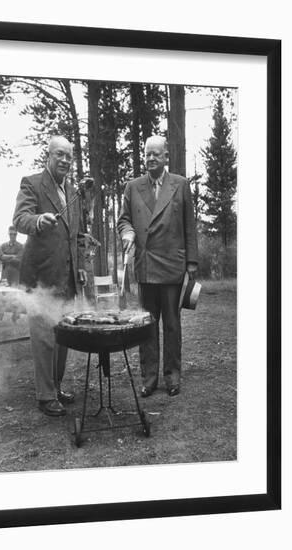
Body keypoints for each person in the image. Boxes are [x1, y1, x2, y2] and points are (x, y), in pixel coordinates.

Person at [118, 136, 198, 398]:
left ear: (166, 157)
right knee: (147, 325)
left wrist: (192, 263)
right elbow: (124, 221)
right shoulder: (133, 186)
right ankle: (149, 377)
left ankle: (172, 375)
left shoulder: (180, 184)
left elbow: (189, 226)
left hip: (172, 267)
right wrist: (127, 233)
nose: (151, 158)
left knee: (172, 325)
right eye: (147, 154)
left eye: (156, 154)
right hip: (146, 267)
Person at [13, 136, 87, 416]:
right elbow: (20, 219)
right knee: (44, 337)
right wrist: (37, 220)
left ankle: (55, 387)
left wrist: (80, 265)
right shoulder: (31, 183)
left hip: (66, 277)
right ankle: (45, 397)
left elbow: (76, 235)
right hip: (41, 278)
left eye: (69, 156)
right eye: (60, 155)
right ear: (49, 156)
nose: (66, 161)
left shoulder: (72, 191)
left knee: (62, 336)